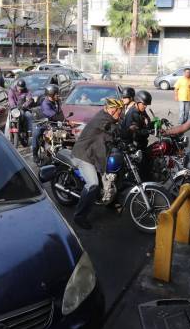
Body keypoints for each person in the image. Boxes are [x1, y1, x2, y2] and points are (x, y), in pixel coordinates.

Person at [70, 99, 125, 229]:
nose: (121, 114)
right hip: (84, 155)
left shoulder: (109, 118)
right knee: (93, 184)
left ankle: (110, 200)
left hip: (95, 153)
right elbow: (112, 130)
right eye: (120, 112)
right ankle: (79, 216)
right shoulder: (103, 120)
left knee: (117, 170)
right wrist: (125, 130)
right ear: (113, 110)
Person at [32, 83, 65, 161]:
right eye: (56, 94)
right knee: (36, 134)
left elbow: (60, 113)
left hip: (53, 123)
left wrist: (66, 120)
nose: (58, 95)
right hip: (43, 123)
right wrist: (61, 119)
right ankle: (35, 154)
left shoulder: (56, 101)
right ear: (51, 95)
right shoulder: (45, 104)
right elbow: (54, 116)